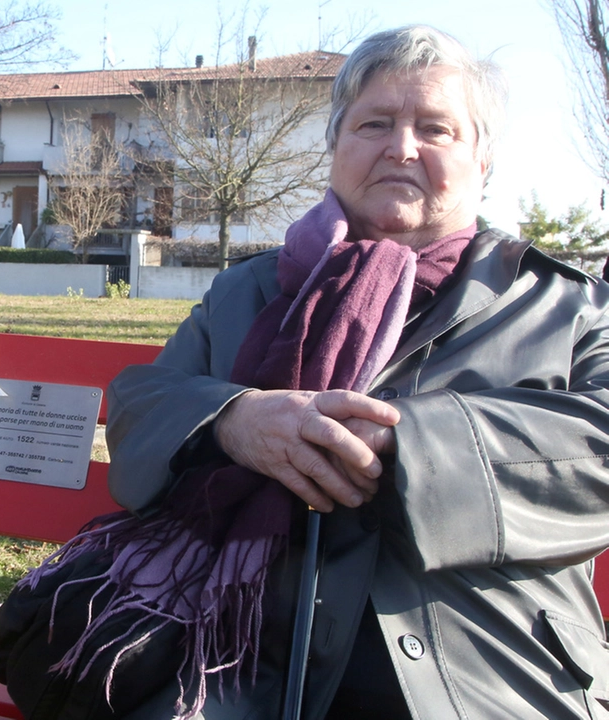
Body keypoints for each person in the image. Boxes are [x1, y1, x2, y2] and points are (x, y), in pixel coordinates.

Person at [96, 25, 609, 720]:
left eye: (436, 128)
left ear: (483, 160)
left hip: (489, 667)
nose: (402, 146)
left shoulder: (566, 306)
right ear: (336, 146)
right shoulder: (248, 290)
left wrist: (406, 444)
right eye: (375, 123)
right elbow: (139, 404)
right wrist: (235, 420)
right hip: (236, 655)